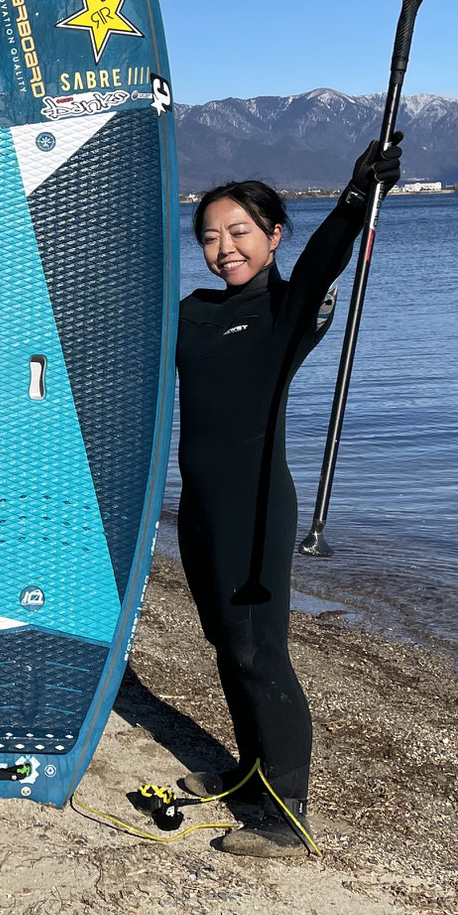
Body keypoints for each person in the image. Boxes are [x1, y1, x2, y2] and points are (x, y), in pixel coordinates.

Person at [172, 133, 402, 856]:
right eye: (210, 237)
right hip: (201, 508)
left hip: (256, 505)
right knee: (224, 646)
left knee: (259, 653)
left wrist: (358, 194)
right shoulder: (193, 311)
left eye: (239, 232)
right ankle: (248, 777)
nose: (224, 247)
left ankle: (286, 814)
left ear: (272, 236)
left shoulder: (285, 311)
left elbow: (326, 257)